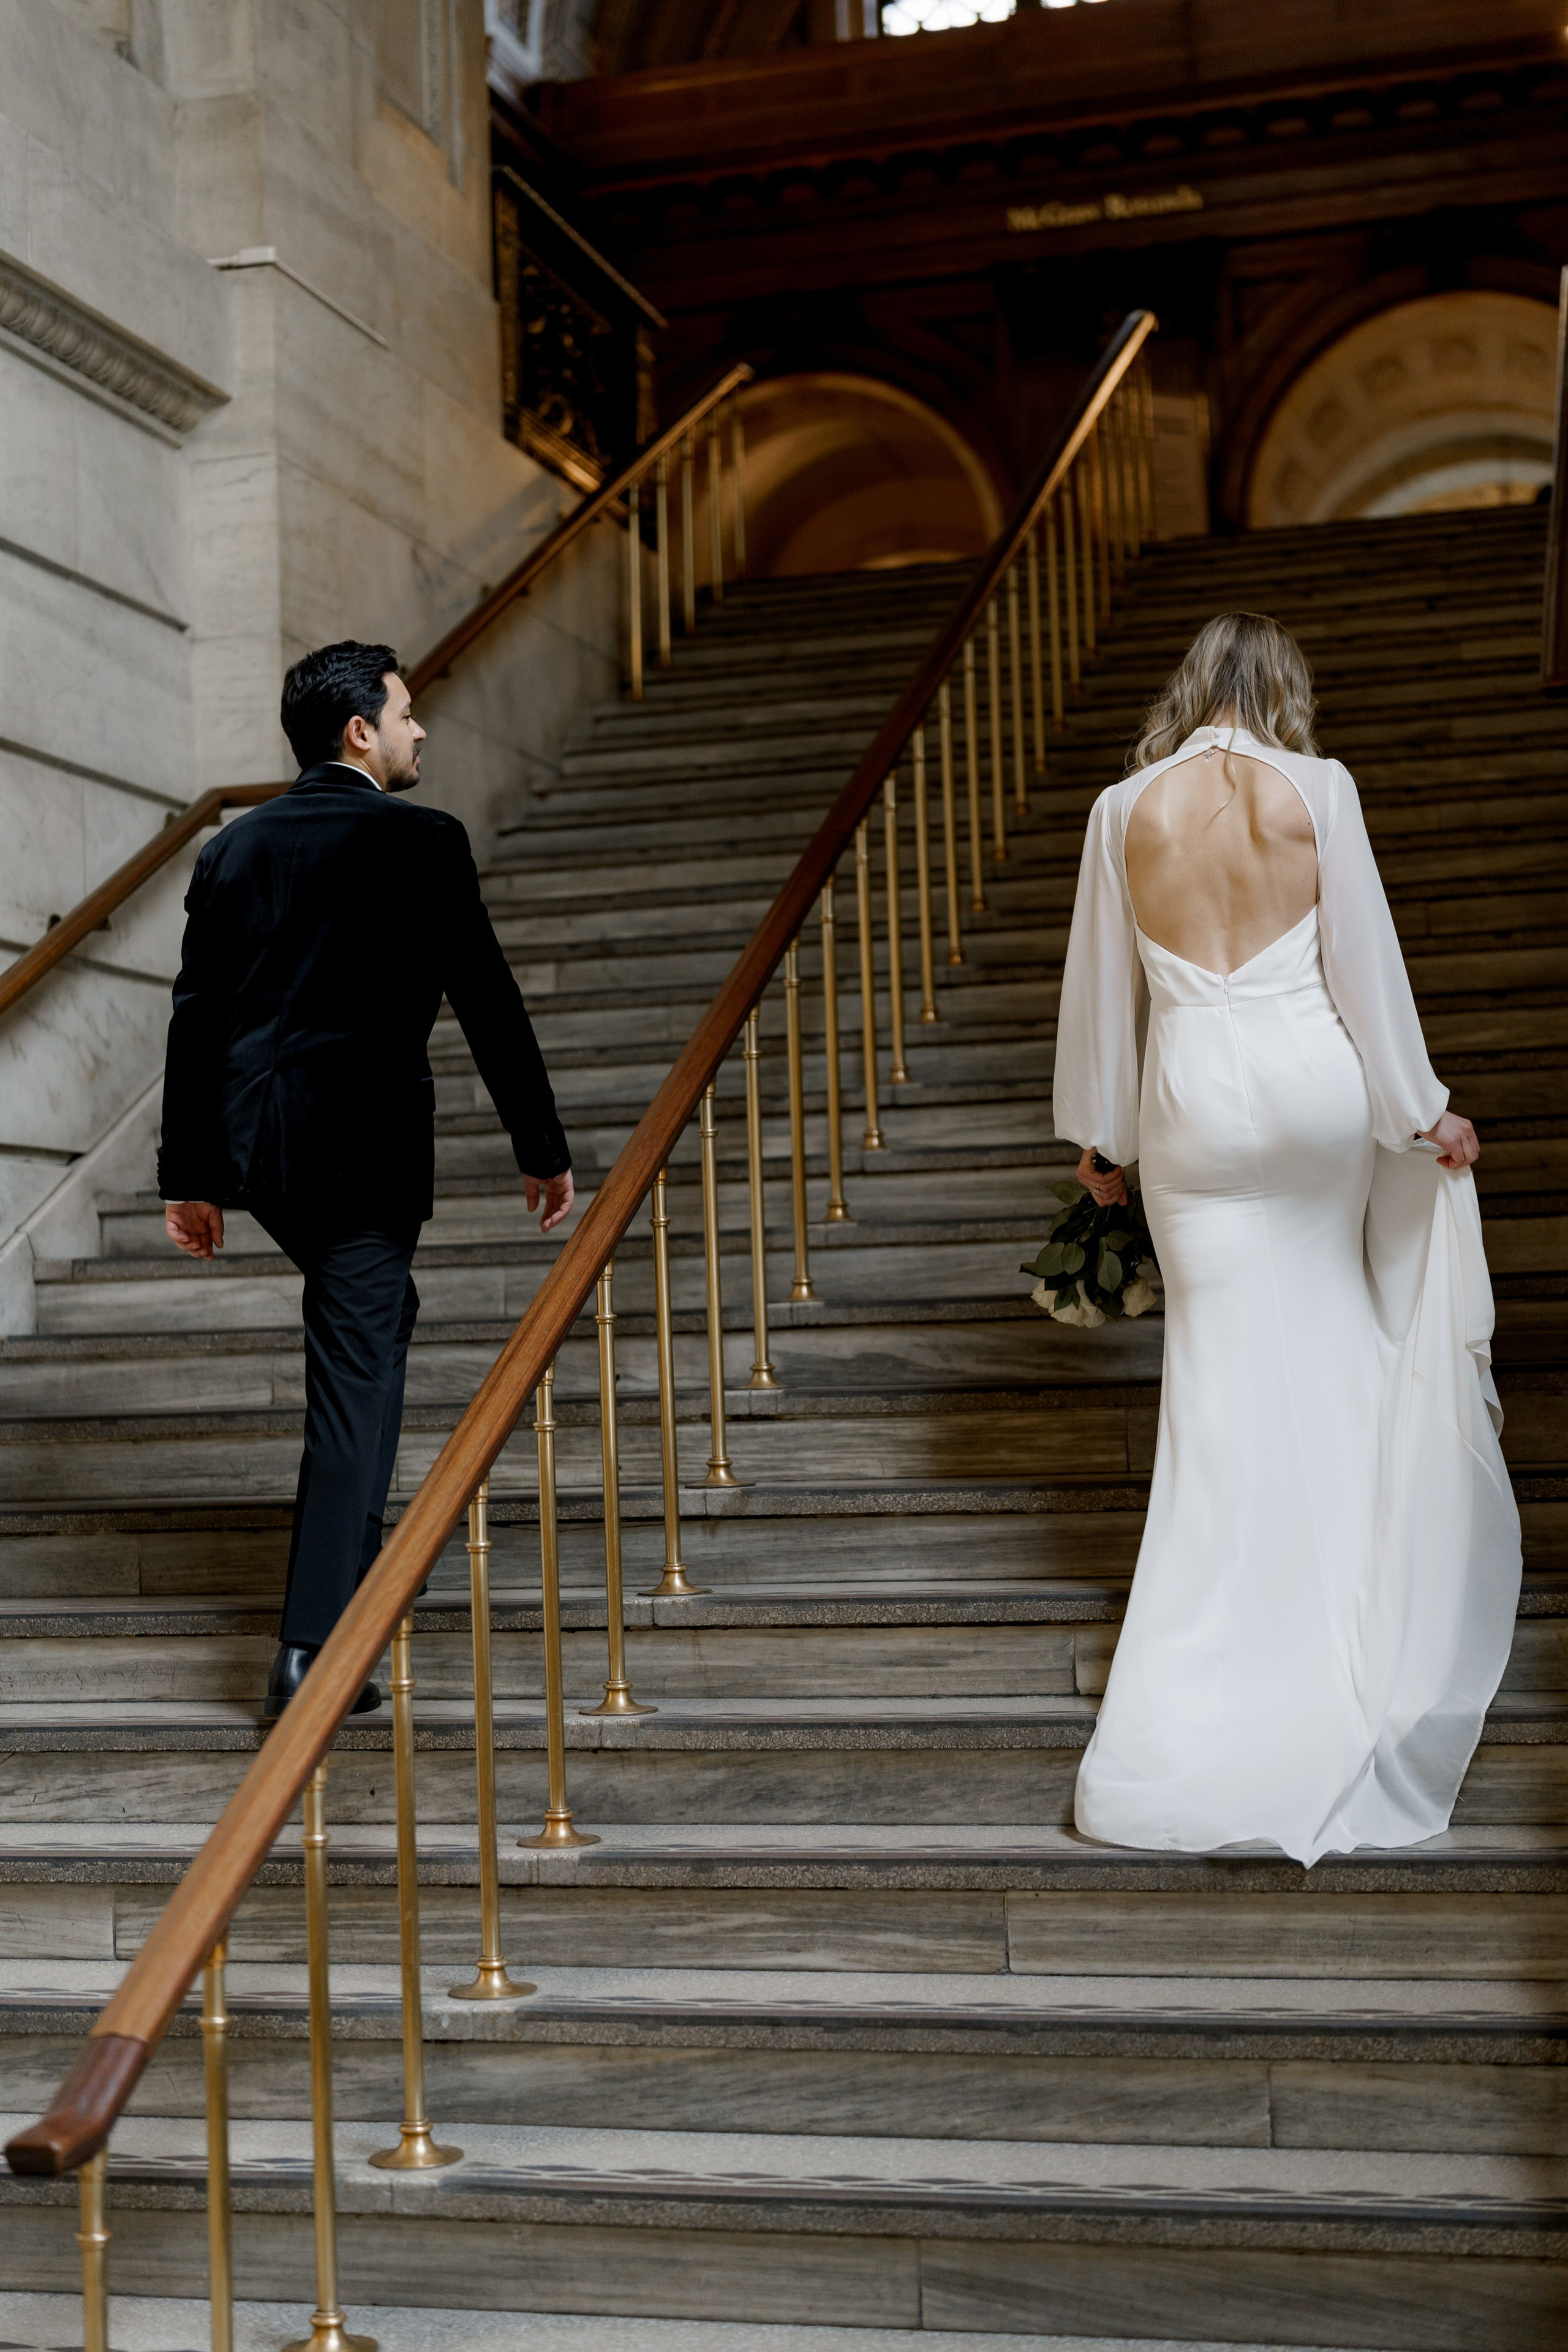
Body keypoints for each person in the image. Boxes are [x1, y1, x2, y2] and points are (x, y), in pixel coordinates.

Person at [1054, 613, 1521, 1864]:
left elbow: (1107, 990)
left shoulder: (1120, 810)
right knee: (1332, 1341)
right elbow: (1363, 968)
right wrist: (1420, 1112)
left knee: (1214, 1389)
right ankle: (1349, 1636)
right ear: (1279, 691)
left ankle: (1214, 1668)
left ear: (1186, 685)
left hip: (1194, 1106)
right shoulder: (1317, 789)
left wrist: (1101, 1141)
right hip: (1312, 1093)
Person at [157, 642, 573, 1717]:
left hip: (262, 1152)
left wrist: (190, 1175)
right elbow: (487, 998)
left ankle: (358, 1553)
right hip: (364, 1157)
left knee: (378, 1320)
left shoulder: (232, 850)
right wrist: (542, 1145)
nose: (418, 729)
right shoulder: (422, 840)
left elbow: (197, 1020)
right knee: (354, 1365)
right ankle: (315, 1650)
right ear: (360, 732)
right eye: (404, 713)